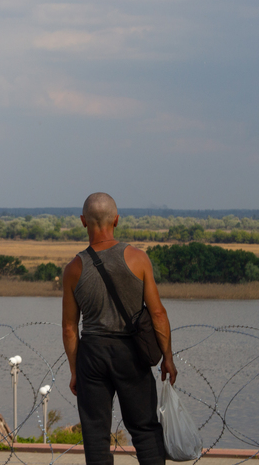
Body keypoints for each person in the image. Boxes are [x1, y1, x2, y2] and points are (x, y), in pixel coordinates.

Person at [62, 192, 177, 465]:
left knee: (95, 434)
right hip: (131, 353)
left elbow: (69, 327)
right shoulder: (138, 258)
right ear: (116, 220)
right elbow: (158, 313)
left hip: (92, 354)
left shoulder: (73, 268)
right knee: (145, 429)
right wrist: (167, 357)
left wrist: (75, 370)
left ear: (83, 222)